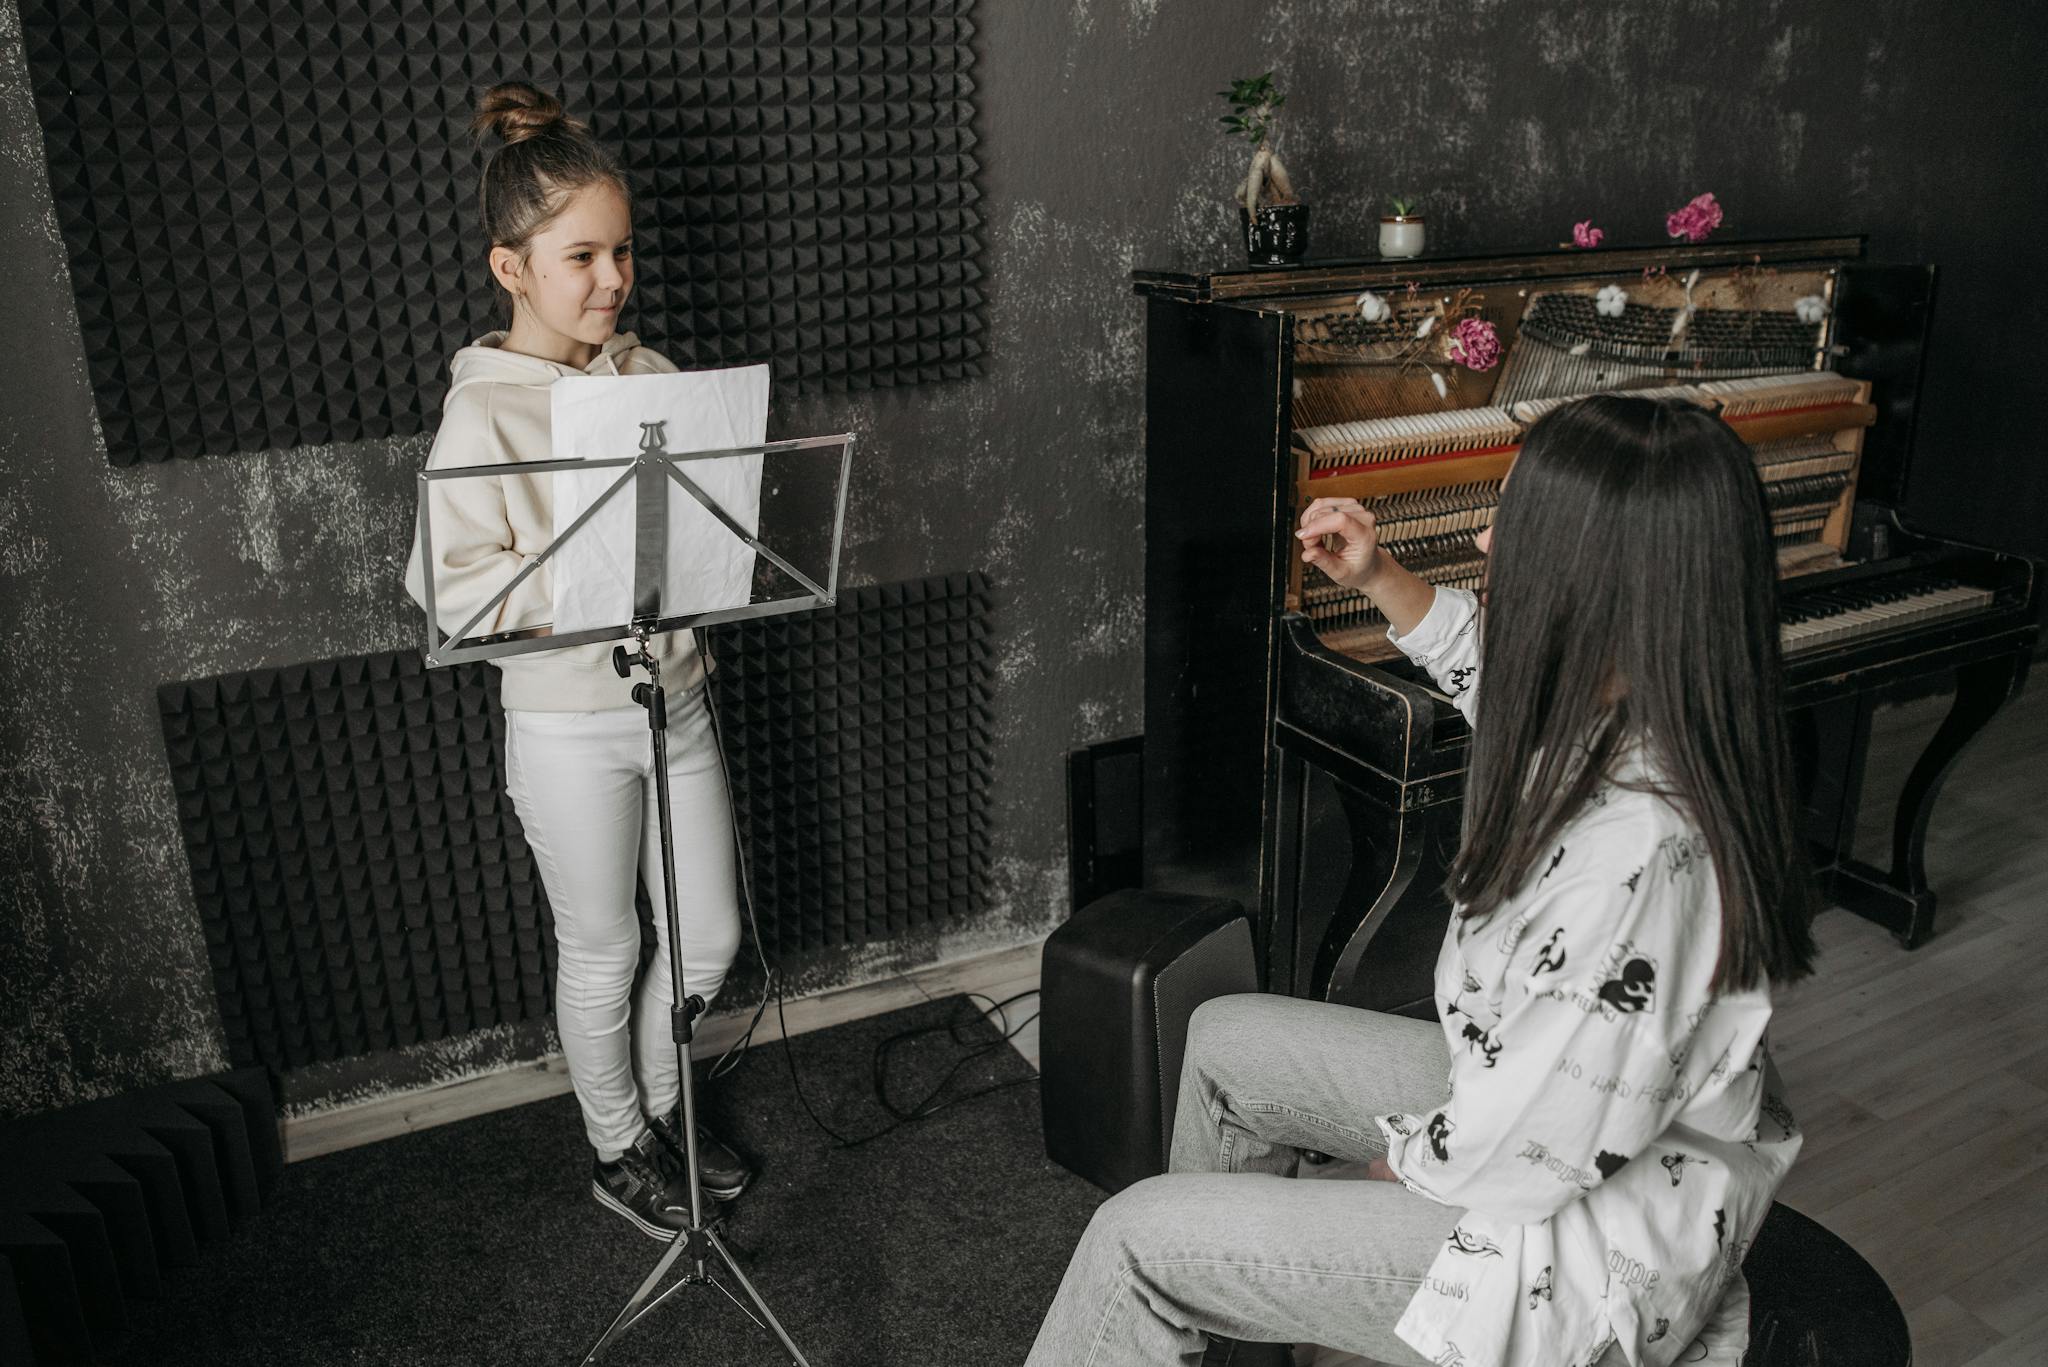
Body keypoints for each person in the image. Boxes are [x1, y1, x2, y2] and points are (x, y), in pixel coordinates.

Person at [1026, 395, 1817, 1367]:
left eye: (1511, 519)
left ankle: (1177, 1297)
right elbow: (1487, 669)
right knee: (1226, 1040)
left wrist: (1390, 1167)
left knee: (1133, 1239)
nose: (1486, 536)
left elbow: (1528, 1151)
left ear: (1592, 579)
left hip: (1572, 1253)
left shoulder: (1639, 854)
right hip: (1546, 1128)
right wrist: (1377, 575)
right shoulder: (1628, 695)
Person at [402, 82, 751, 1240]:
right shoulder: (481, 417)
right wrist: (588, 577)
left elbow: (701, 538)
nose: (614, 278)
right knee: (604, 946)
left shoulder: (652, 382)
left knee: (705, 939)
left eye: (623, 251)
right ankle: (617, 1149)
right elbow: (453, 590)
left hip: (676, 704)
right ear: (513, 269)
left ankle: (659, 1116)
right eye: (583, 255)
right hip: (564, 727)